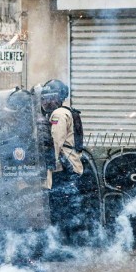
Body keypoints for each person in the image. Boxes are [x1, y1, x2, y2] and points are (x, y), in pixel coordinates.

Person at [39, 79, 84, 245]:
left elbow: (55, 142)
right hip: (70, 167)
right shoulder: (68, 112)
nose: (44, 101)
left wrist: (47, 164)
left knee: (60, 210)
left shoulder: (58, 114)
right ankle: (68, 246)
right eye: (43, 97)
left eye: (49, 97)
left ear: (58, 98)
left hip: (64, 169)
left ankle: (63, 247)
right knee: (67, 210)